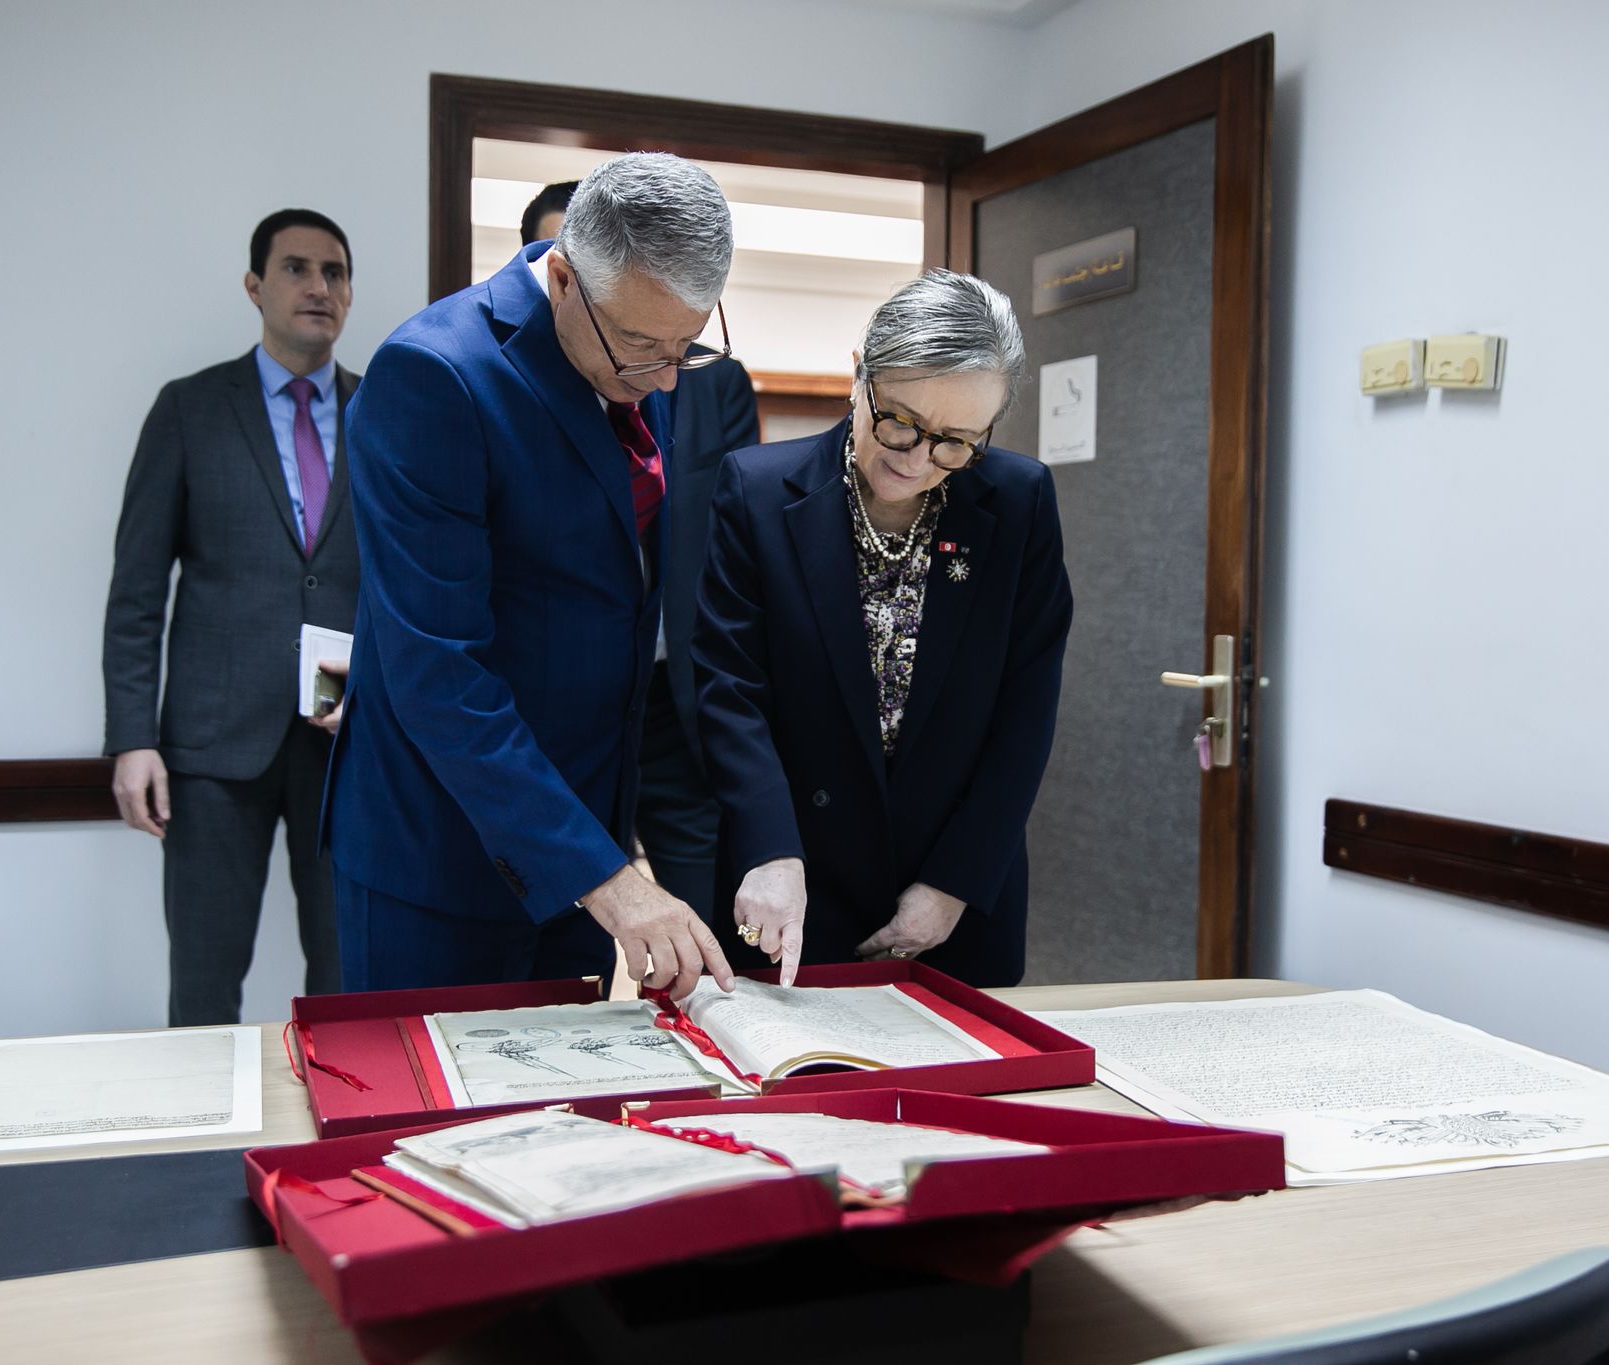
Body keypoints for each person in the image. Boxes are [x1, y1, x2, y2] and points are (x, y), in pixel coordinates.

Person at [328, 153, 737, 997]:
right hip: (439, 860)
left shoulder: (635, 350)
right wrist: (607, 875)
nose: (666, 377)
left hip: (579, 839)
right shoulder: (433, 376)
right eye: (643, 347)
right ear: (561, 278)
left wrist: (601, 856)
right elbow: (438, 668)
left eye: (685, 346)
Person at [694, 270, 1073, 988]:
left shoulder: (1019, 503)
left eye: (955, 441)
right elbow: (729, 689)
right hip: (791, 877)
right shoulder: (757, 489)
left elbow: (1026, 711)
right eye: (899, 420)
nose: (918, 458)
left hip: (951, 886)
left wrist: (955, 881)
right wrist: (769, 847)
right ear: (858, 375)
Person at [102, 208, 359, 1025]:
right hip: (212, 746)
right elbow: (137, 590)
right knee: (205, 978)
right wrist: (132, 738)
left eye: (334, 272)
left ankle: (343, 1105)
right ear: (255, 286)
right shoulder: (190, 408)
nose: (318, 287)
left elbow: (410, 581)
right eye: (296, 268)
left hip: (346, 736)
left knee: (350, 971)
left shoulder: (383, 410)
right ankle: (203, 1116)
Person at [520, 180, 760, 921]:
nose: (661, 367)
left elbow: (735, 544)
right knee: (565, 911)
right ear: (560, 279)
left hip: (676, 696)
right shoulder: (503, 385)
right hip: (556, 706)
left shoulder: (710, 381)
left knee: (706, 924)